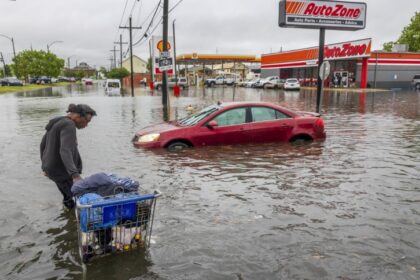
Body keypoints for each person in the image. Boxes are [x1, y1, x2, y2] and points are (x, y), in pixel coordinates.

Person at [40, 104, 97, 209]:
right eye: (87, 121)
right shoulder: (69, 125)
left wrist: (44, 166)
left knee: (68, 196)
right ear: (78, 116)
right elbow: (65, 150)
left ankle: (68, 219)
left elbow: (43, 144)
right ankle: (76, 219)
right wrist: (75, 175)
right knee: (76, 199)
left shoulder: (58, 122)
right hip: (62, 171)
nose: (87, 125)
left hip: (53, 170)